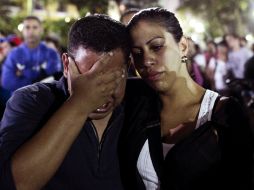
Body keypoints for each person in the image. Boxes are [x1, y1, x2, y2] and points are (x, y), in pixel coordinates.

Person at [119, 7, 253, 190]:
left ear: (182, 46)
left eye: (157, 46)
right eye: (137, 53)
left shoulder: (223, 113)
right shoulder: (134, 105)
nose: (146, 61)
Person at [0, 14, 130, 190]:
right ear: (67, 66)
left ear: (127, 68)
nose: (100, 91)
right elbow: (13, 183)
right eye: (88, 78)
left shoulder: (138, 103)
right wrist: (80, 103)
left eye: (111, 79)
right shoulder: (31, 101)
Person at [1, 16, 62, 93]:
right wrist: (38, 77)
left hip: (45, 101)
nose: (31, 31)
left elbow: (55, 80)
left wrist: (23, 73)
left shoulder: (51, 53)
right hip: (19, 102)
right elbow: (7, 82)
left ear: (41, 30)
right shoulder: (14, 54)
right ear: (23, 30)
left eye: (35, 27)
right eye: (27, 27)